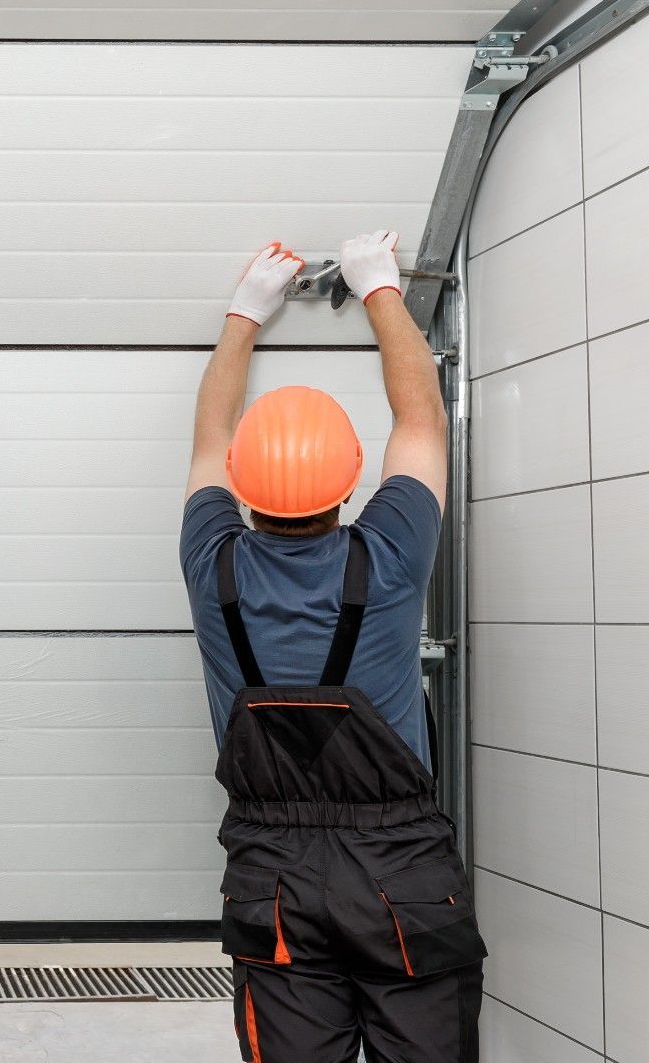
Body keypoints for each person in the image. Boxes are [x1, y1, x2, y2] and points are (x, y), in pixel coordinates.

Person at [180, 235, 486, 1062]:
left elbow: (209, 437)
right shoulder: (387, 555)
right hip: (402, 874)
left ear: (241, 488)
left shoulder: (213, 566)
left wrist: (246, 310)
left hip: (271, 875)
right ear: (350, 483)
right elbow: (421, 415)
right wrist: (379, 286)